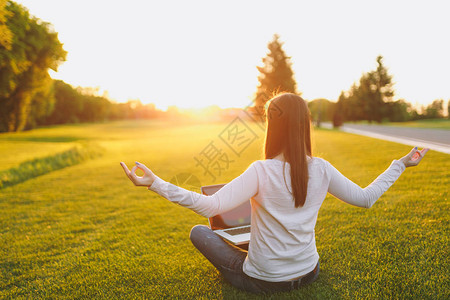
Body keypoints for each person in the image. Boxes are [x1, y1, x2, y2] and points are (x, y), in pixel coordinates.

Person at [120, 93, 428, 294]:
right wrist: (400, 165)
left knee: (200, 232)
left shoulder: (261, 170)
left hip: (261, 280)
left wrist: (154, 183)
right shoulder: (321, 168)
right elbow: (366, 198)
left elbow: (209, 205)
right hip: (310, 272)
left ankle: (248, 253)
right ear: (304, 126)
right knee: (251, 231)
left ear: (273, 127)